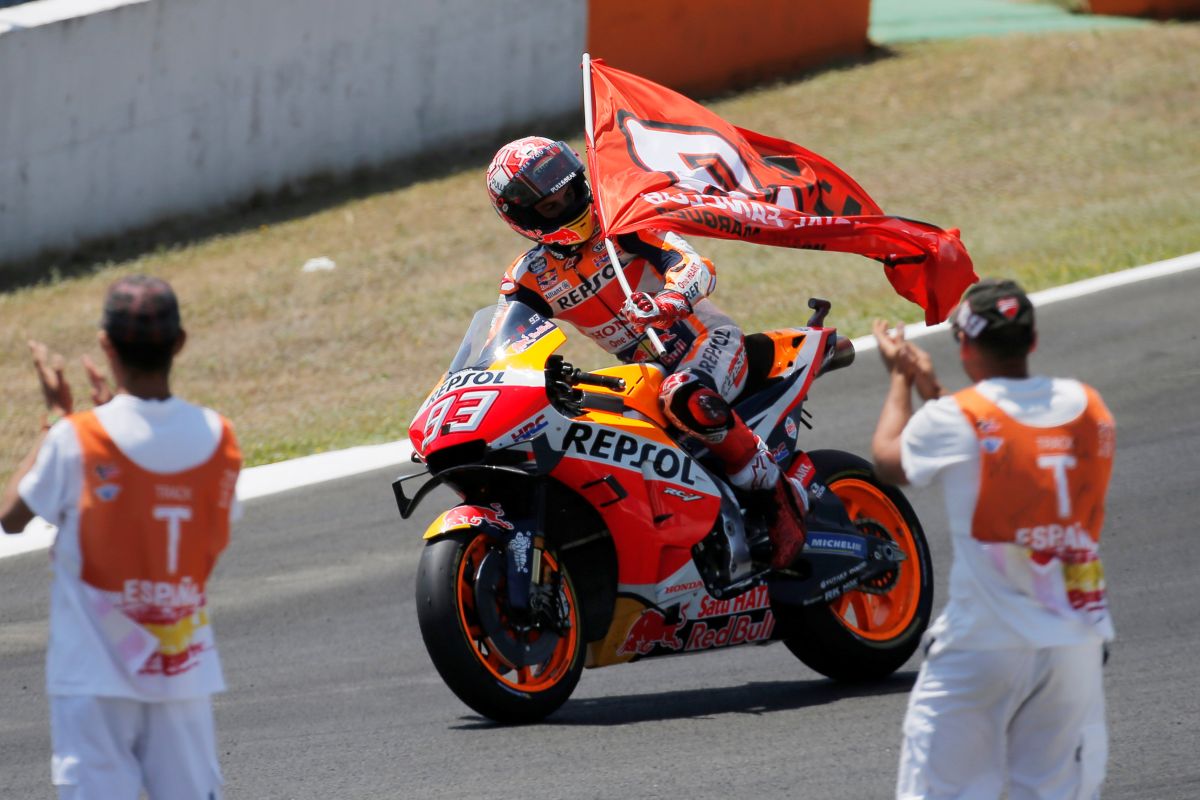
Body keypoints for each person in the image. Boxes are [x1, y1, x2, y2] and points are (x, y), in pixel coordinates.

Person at [485, 135, 807, 569]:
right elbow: (502, 340)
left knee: (682, 393)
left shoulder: (622, 220)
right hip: (644, 374)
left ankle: (776, 493)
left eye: (570, 190)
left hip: (707, 341)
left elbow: (694, 265)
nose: (568, 203)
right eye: (551, 204)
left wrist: (669, 300)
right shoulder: (529, 277)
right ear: (524, 216)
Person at [870, 278, 1115, 800]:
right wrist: (936, 394)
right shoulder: (1090, 407)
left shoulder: (956, 419)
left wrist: (900, 380)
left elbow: (890, 462)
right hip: (1074, 642)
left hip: (983, 646)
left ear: (965, 344)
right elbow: (999, 443)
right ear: (1031, 340)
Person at [0, 275, 242, 800]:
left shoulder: (77, 440)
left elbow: (11, 515)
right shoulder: (220, 439)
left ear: (106, 346)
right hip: (182, 674)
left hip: (93, 679)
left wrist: (56, 421)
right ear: (180, 343)